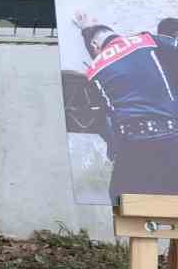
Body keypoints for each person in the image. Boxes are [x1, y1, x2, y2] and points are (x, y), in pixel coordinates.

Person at [72, 11, 178, 200]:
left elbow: (107, 113)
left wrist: (86, 30)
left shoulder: (95, 69)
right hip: (172, 137)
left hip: (135, 146)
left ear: (95, 46)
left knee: (124, 202)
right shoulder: (148, 41)